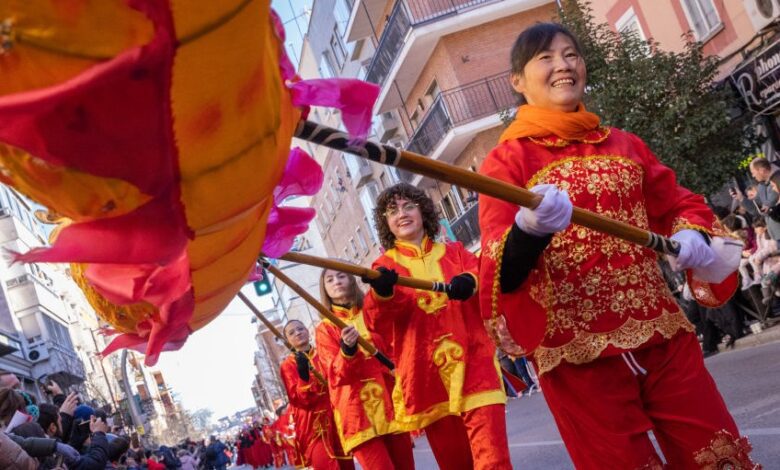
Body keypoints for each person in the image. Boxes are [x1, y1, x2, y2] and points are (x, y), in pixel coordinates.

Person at [477, 22, 757, 468]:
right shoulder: (507, 161)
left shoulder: (624, 144)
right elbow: (500, 272)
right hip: (576, 353)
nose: (563, 66)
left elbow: (678, 201)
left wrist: (691, 232)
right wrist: (529, 230)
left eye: (571, 54)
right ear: (518, 81)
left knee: (717, 454)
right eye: (545, 58)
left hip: (661, 331)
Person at [366, 182, 511, 469]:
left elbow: (486, 277)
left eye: (409, 206)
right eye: (392, 210)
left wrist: (470, 280)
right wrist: (382, 293)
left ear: (423, 212)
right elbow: (377, 325)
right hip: (426, 378)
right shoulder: (383, 267)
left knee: (493, 459)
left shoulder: (456, 253)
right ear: (386, 223)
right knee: (455, 463)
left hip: (475, 364)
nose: (402, 213)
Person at [315, 268, 415, 470]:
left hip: (391, 404)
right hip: (357, 414)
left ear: (352, 280)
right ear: (324, 289)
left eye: (341, 275)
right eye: (330, 279)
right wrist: (347, 352)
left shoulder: (371, 313)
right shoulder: (325, 329)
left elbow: (396, 343)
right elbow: (334, 376)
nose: (336, 281)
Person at [279, 320, 354, 470]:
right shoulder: (288, 365)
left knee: (346, 464)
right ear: (287, 340)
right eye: (292, 332)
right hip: (312, 425)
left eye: (300, 329)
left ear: (307, 331)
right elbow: (298, 400)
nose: (298, 333)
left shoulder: (324, 353)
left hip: (336, 416)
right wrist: (303, 377)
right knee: (325, 464)